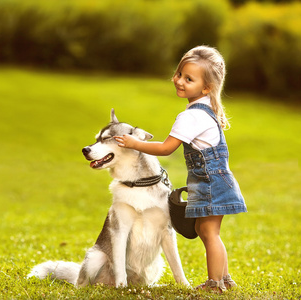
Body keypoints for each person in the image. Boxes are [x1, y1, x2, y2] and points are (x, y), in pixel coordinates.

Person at [114, 45, 247, 293]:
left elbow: (166, 148)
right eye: (179, 74)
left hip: (210, 182)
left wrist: (135, 144)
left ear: (206, 88)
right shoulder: (204, 107)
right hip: (214, 180)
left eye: (189, 79)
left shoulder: (191, 116)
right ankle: (224, 278)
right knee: (205, 229)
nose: (180, 81)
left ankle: (216, 284)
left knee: (208, 231)